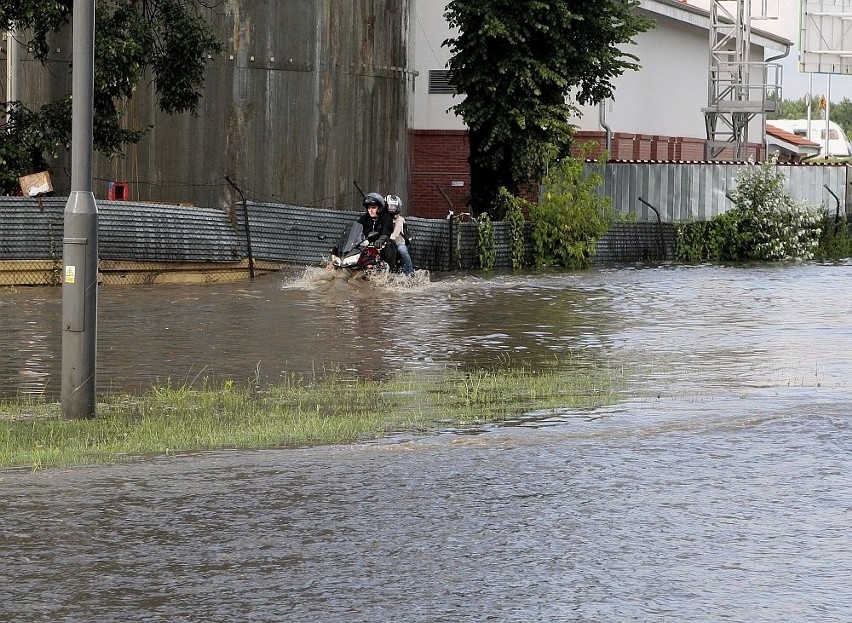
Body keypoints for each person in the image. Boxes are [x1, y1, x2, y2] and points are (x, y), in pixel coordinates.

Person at [357, 192, 396, 268]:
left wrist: (382, 239)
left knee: (390, 244)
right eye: (369, 208)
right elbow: (356, 228)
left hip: (381, 246)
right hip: (366, 245)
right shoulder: (364, 218)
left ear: (380, 208)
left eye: (373, 208)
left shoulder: (386, 217)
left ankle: (389, 271)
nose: (370, 210)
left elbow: (387, 229)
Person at [386, 194, 414, 276]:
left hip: (398, 242)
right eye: (390, 206)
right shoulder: (383, 218)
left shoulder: (400, 220)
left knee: (403, 251)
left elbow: (395, 235)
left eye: (394, 206)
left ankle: (410, 272)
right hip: (385, 242)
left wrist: (384, 239)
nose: (392, 209)